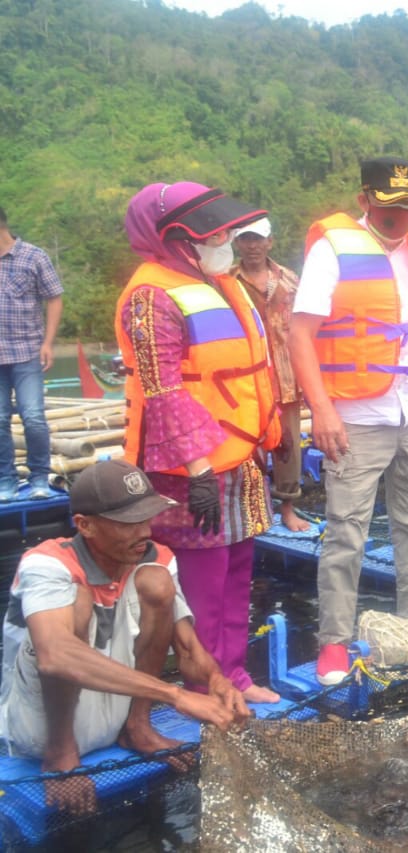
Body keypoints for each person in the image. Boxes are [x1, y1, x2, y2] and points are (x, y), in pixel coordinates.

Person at [289, 157, 408, 686]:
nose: (398, 216)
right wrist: (322, 410)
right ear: (364, 201)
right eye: (388, 206)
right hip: (355, 415)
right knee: (347, 532)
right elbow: (300, 333)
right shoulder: (333, 250)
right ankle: (333, 641)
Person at [0, 460, 250, 816]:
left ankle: (138, 727)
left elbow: (188, 649)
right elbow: (55, 655)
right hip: (38, 727)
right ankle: (60, 753)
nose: (145, 531)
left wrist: (217, 681)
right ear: (85, 525)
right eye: (129, 523)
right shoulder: (45, 564)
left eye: (147, 517)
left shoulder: (156, 558)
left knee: (156, 582)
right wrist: (174, 695)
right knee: (79, 598)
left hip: (110, 710)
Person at [117, 182, 282, 705]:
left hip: (239, 457)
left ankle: (233, 673)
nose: (226, 240)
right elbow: (163, 390)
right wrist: (199, 469)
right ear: (176, 239)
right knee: (202, 586)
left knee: (237, 571)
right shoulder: (150, 297)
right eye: (213, 234)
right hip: (190, 466)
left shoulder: (220, 283)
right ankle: (202, 683)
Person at [231, 216, 308, 533]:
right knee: (246, 446)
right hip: (244, 378)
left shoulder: (289, 280)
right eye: (246, 239)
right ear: (237, 243)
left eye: (258, 239)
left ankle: (288, 508)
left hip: (286, 376)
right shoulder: (225, 281)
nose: (252, 246)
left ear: (270, 242)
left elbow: (305, 329)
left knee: (287, 446)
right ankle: (249, 509)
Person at [0, 205, 63, 502]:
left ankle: (39, 476)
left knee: (33, 416)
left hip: (27, 351)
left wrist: (48, 342)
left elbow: (54, 298)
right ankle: (6, 481)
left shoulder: (33, 256)